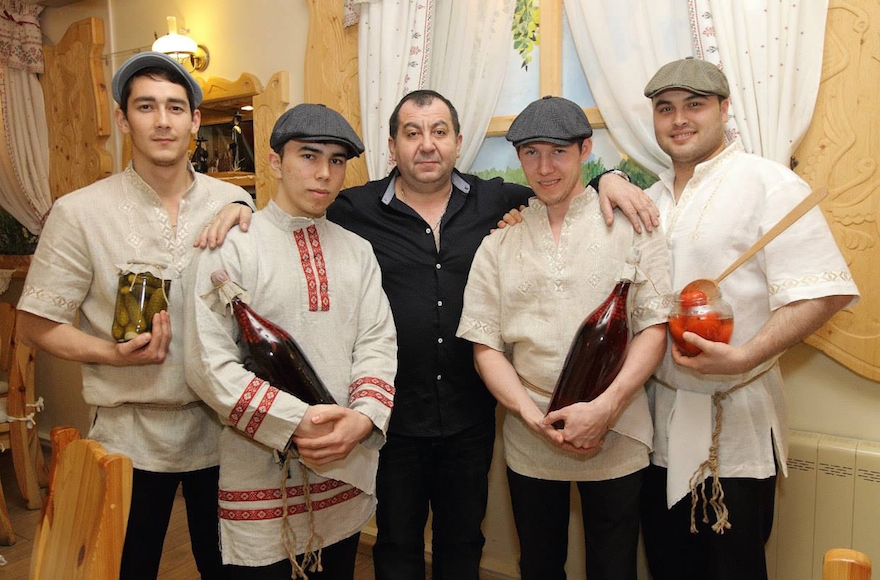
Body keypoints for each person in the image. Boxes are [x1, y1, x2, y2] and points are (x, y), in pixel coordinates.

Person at [200, 89, 658, 579]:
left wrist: (613, 177)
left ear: (459, 141)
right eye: (412, 133)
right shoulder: (350, 210)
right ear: (392, 145)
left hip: (470, 418)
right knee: (397, 545)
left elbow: (561, 184)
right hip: (391, 420)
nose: (427, 145)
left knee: (463, 543)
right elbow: (291, 208)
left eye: (439, 132)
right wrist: (237, 201)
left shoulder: (498, 200)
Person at [600, 57, 859, 580]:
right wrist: (606, 177)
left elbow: (823, 292)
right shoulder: (646, 201)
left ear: (724, 108)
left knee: (732, 569)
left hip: (735, 420)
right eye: (665, 108)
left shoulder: (769, 184)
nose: (679, 119)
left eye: (694, 105)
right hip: (656, 424)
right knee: (668, 566)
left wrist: (744, 355)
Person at [16, 52, 254, 579]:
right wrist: (109, 353)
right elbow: (34, 324)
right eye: (146, 106)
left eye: (175, 107)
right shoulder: (79, 212)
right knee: (129, 568)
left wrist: (252, 212)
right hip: (128, 437)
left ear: (195, 120)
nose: (162, 121)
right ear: (124, 120)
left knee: (230, 570)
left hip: (223, 434)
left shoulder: (233, 201)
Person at [455, 96, 670, 580]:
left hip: (617, 429)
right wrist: (531, 418)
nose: (545, 167)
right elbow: (486, 345)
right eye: (531, 153)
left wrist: (606, 408)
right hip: (531, 435)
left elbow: (654, 328)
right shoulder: (499, 242)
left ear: (585, 149)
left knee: (614, 565)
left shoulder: (633, 225)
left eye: (559, 152)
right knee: (539, 563)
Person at [183, 103, 397, 580]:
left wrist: (362, 419)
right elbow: (207, 364)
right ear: (276, 162)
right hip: (261, 478)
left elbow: (378, 341)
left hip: (344, 473)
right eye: (309, 156)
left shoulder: (358, 251)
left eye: (337, 161)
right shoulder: (232, 245)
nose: (324, 173)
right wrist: (297, 423)